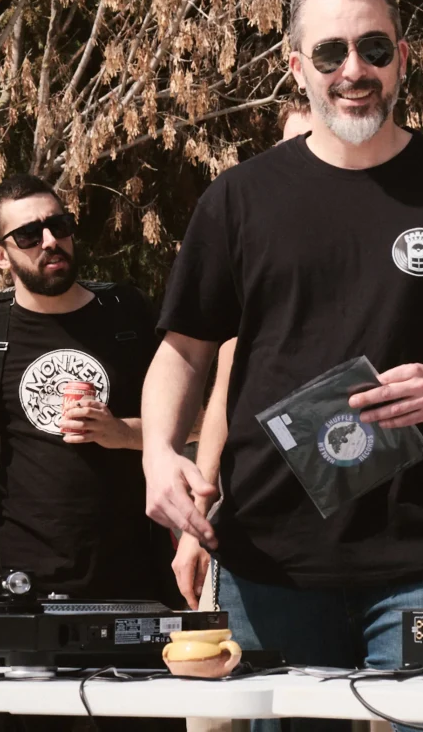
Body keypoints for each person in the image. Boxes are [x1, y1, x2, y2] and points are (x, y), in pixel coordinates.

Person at [142, 0, 423, 685]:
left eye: (374, 48)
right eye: (330, 52)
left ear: (402, 58)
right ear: (295, 67)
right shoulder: (239, 198)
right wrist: (156, 452)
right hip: (266, 564)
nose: (354, 70)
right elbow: (183, 350)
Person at [0, 174, 188, 603]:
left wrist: (123, 433)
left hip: (132, 574)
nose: (50, 240)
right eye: (29, 235)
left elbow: (197, 422)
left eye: (60, 225)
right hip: (16, 578)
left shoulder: (128, 314)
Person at [172, 99, 313, 609]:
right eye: (290, 146)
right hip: (267, 548)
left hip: (391, 544)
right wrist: (197, 525)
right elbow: (225, 383)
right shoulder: (254, 238)